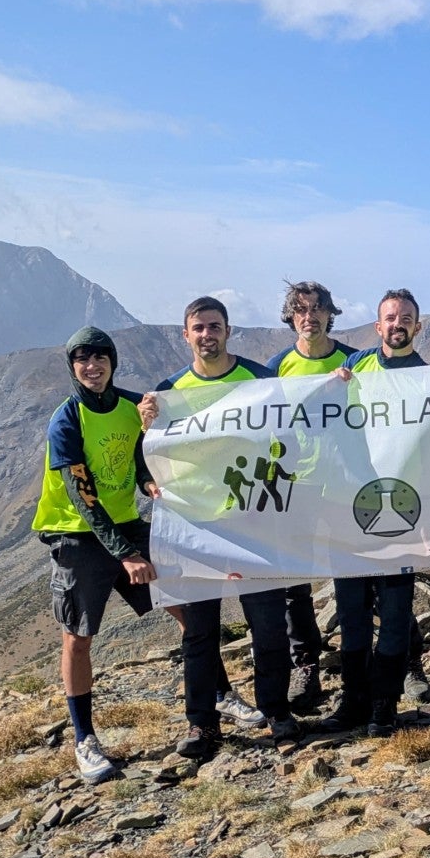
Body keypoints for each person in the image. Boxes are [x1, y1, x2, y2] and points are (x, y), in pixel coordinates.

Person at [140, 297, 298, 757]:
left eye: (215, 326)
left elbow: (292, 434)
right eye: (198, 328)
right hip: (194, 529)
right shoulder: (168, 391)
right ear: (184, 335)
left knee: (268, 624)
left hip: (255, 522)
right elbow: (144, 458)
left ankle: (278, 712)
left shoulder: (260, 380)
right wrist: (147, 454)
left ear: (228, 331)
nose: (207, 334)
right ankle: (201, 724)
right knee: (199, 631)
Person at [30, 327, 157, 785]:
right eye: (82, 360)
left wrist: (149, 485)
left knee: (185, 602)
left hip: (125, 525)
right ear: (73, 367)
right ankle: (84, 739)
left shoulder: (130, 406)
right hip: (77, 536)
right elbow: (82, 496)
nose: (92, 366)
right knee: (78, 637)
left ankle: (217, 693)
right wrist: (125, 553)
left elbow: (140, 459)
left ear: (112, 362)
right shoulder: (66, 420)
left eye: (100, 358)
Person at [324, 289, 430, 737]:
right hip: (351, 509)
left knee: (394, 610)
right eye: (390, 317)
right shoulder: (357, 368)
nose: (397, 324)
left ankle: (385, 705)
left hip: (402, 513)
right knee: (351, 613)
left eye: (406, 317)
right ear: (378, 325)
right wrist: (330, 382)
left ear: (418, 325)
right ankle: (354, 700)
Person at [268, 280, 358, 713]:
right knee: (293, 585)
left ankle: (405, 660)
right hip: (296, 486)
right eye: (301, 309)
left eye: (318, 308)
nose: (310, 316)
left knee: (362, 575)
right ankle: (306, 667)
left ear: (330, 314)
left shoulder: (353, 362)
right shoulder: (276, 366)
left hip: (346, 487)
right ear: (291, 317)